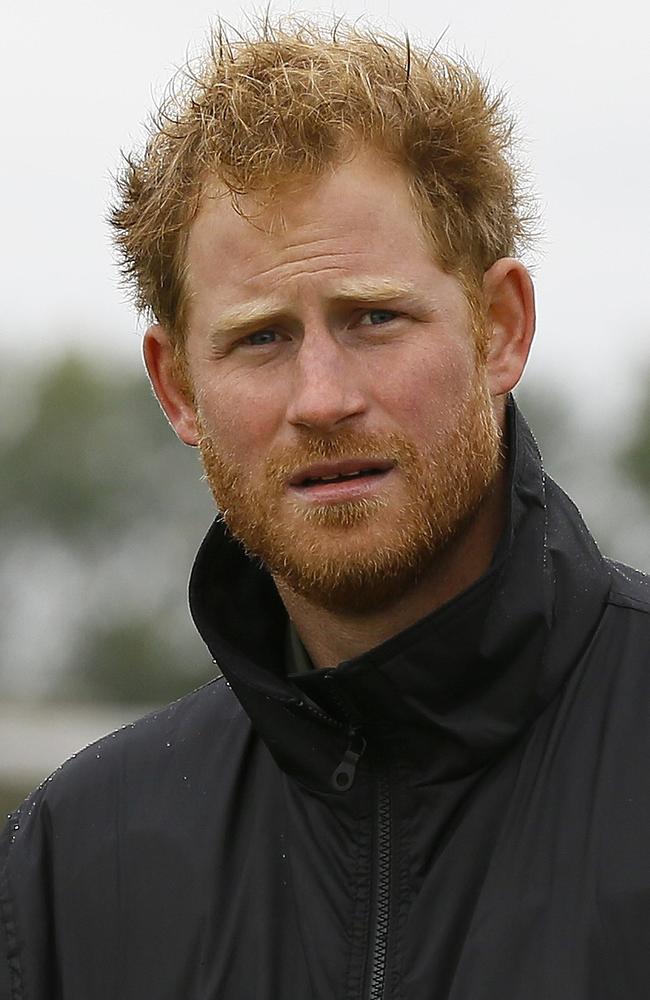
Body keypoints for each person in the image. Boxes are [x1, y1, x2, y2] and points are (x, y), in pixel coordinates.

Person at [2, 18, 649, 1000]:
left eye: (372, 318)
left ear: (499, 330)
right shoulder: (79, 857)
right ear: (176, 388)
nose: (320, 398)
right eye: (259, 339)